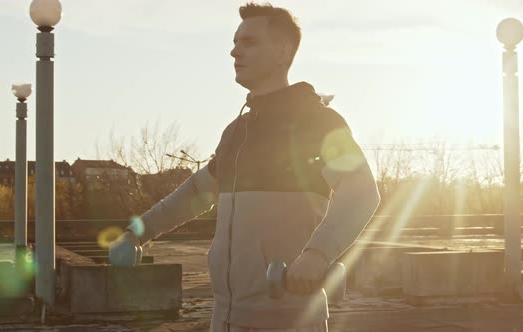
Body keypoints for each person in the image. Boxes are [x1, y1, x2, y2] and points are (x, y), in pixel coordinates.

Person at [109, 3, 380, 331]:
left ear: (282, 51)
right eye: (235, 42)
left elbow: (362, 190)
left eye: (249, 42)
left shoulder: (318, 121)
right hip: (225, 318)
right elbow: (196, 191)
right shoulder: (237, 131)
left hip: (287, 319)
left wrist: (318, 254)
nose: (234, 51)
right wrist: (136, 233)